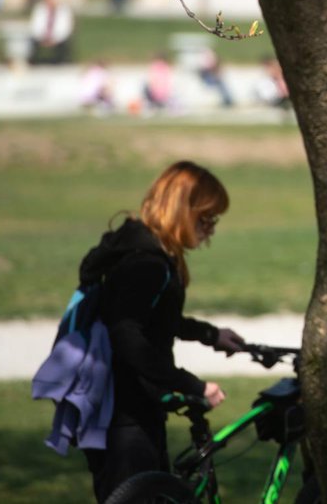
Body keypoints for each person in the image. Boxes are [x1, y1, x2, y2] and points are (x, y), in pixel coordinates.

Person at [80, 161, 245, 502]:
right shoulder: (147, 263)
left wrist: (211, 335)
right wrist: (193, 385)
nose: (211, 229)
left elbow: (154, 319)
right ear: (183, 210)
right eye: (206, 218)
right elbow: (127, 336)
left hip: (134, 408)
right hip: (124, 415)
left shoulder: (148, 252)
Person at [29, 0, 76, 65]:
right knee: (31, 41)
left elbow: (65, 29)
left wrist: (55, 39)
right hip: (42, 37)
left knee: (65, 43)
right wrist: (42, 38)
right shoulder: (40, 9)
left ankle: (60, 61)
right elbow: (35, 26)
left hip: (58, 38)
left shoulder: (64, 11)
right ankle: (34, 61)